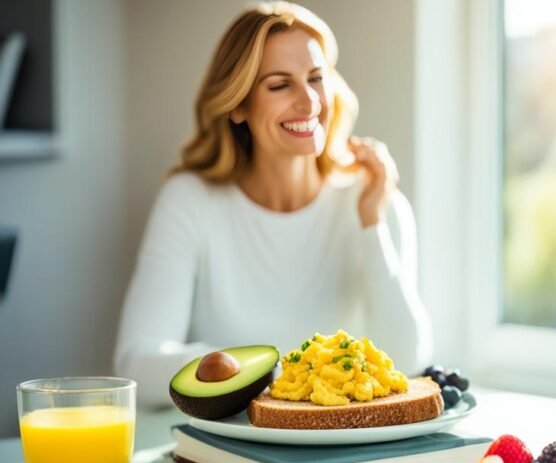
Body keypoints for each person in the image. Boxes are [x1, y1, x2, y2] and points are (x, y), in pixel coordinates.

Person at [115, 2, 432, 408]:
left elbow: (410, 360)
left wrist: (371, 224)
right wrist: (283, 378)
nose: (309, 102)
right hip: (233, 453)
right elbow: (137, 363)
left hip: (346, 457)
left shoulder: (376, 202)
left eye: (316, 79)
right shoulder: (189, 200)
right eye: (280, 85)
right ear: (238, 104)